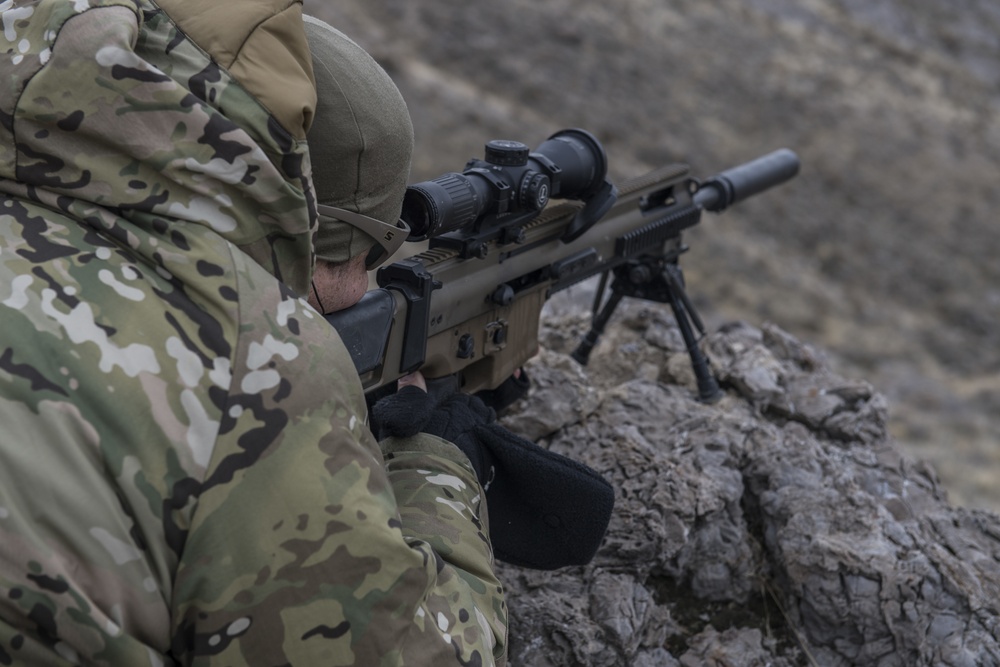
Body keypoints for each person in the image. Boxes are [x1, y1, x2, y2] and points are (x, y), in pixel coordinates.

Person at [0, 2, 509, 664]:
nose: (363, 289)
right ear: (302, 226)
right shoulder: (253, 354)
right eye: (369, 254)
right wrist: (437, 465)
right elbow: (426, 653)